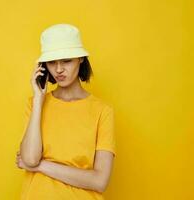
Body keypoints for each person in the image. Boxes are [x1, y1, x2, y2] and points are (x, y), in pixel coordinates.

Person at [16, 23, 116, 200]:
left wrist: (41, 166)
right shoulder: (35, 104)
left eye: (66, 61)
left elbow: (99, 180)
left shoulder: (102, 112)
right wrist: (39, 99)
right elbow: (30, 158)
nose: (59, 69)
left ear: (81, 59)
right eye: (52, 62)